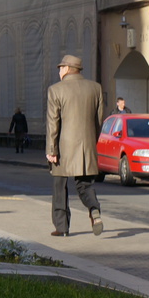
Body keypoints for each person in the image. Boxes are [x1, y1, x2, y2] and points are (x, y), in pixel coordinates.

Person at [46, 54, 104, 238]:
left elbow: (53, 122)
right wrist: (91, 141)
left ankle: (62, 228)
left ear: (68, 69)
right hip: (86, 145)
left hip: (63, 146)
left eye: (61, 67)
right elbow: (99, 120)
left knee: (59, 186)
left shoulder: (56, 90)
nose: (59, 70)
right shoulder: (95, 88)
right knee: (85, 185)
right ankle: (94, 210)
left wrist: (51, 150)